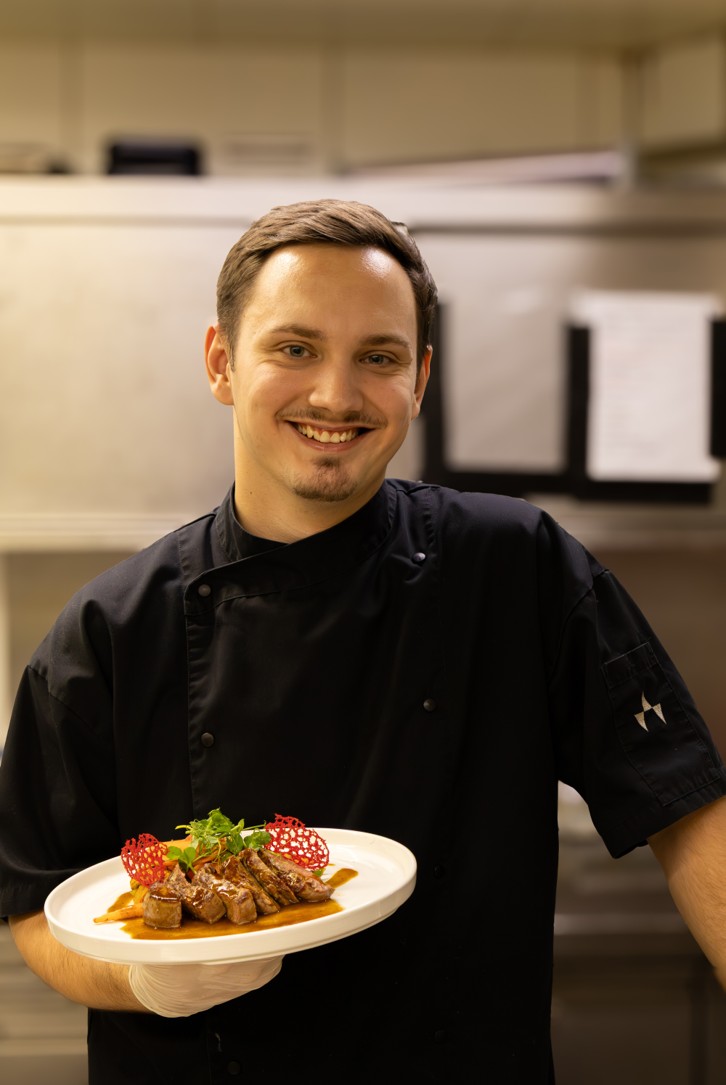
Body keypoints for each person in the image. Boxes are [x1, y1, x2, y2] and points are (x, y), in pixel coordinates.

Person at [1, 197, 726, 1084]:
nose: (335, 396)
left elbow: (688, 809)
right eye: (294, 348)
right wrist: (151, 982)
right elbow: (36, 906)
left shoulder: (516, 567)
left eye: (377, 357)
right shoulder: (109, 631)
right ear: (222, 362)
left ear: (418, 381)